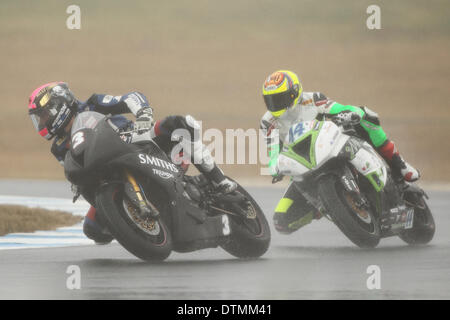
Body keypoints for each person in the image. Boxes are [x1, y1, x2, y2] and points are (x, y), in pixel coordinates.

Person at [28, 82, 236, 243]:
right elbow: (73, 167)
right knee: (93, 229)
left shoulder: (92, 104)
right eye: (39, 118)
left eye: (44, 115)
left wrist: (143, 113)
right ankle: (137, 228)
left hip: (136, 141)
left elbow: (130, 98)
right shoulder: (59, 147)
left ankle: (218, 180)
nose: (43, 122)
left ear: (59, 106)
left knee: (178, 124)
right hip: (106, 173)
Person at [260, 70, 420, 234]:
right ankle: (323, 207)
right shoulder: (268, 121)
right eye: (271, 100)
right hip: (304, 166)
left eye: (280, 98)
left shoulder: (312, 99)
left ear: (295, 93)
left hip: (328, 146)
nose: (275, 104)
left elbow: (339, 108)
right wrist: (274, 167)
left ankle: (399, 165)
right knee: (281, 221)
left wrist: (352, 113)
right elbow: (273, 151)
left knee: (367, 116)